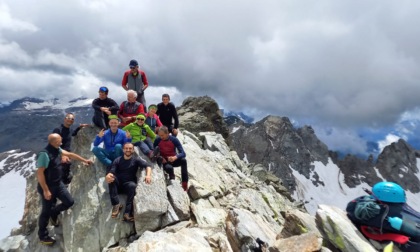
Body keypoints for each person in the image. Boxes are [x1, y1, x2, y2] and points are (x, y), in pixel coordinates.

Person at [37, 133, 92, 246]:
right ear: (53, 142)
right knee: (45, 212)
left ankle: (54, 212)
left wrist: (84, 160)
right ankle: (43, 236)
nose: (61, 142)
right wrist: (46, 190)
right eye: (59, 141)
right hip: (48, 187)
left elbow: (70, 154)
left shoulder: (57, 149)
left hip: (58, 184)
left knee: (69, 202)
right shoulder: (44, 154)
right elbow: (40, 173)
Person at [105, 142, 152, 222]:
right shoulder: (118, 160)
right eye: (126, 148)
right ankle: (116, 204)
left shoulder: (136, 160)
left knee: (132, 186)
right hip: (118, 185)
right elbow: (112, 171)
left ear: (133, 150)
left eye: (130, 148)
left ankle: (127, 214)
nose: (128, 150)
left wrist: (148, 175)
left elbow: (148, 166)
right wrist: (108, 176)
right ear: (123, 150)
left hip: (128, 185)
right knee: (112, 178)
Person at [52, 113, 89, 184]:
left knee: (66, 170)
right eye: (68, 118)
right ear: (65, 119)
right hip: (59, 154)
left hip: (67, 154)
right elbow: (54, 143)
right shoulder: (58, 130)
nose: (70, 120)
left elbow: (73, 133)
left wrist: (80, 127)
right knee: (60, 171)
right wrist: (62, 155)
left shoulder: (69, 129)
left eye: (72, 119)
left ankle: (65, 184)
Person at [153, 126, 188, 191]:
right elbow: (153, 151)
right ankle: (172, 178)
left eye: (162, 135)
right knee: (169, 168)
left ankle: (184, 183)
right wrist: (160, 157)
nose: (161, 137)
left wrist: (175, 157)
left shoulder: (174, 139)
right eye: (159, 135)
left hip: (173, 159)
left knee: (183, 160)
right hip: (164, 161)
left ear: (167, 133)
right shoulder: (158, 140)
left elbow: (183, 153)